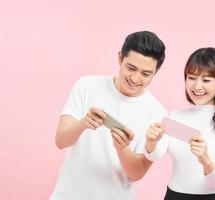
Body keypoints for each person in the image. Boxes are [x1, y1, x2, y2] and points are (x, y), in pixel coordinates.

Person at [50, 31, 167, 200]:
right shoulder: (86, 85)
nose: (135, 78)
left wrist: (122, 148)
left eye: (145, 73)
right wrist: (83, 123)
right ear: (120, 58)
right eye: (131, 68)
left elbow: (136, 174)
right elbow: (61, 141)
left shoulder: (157, 112)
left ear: (156, 71)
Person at [144, 47, 215, 200]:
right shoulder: (175, 117)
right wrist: (151, 142)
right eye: (191, 78)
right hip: (174, 196)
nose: (197, 86)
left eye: (206, 80)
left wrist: (205, 159)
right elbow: (154, 156)